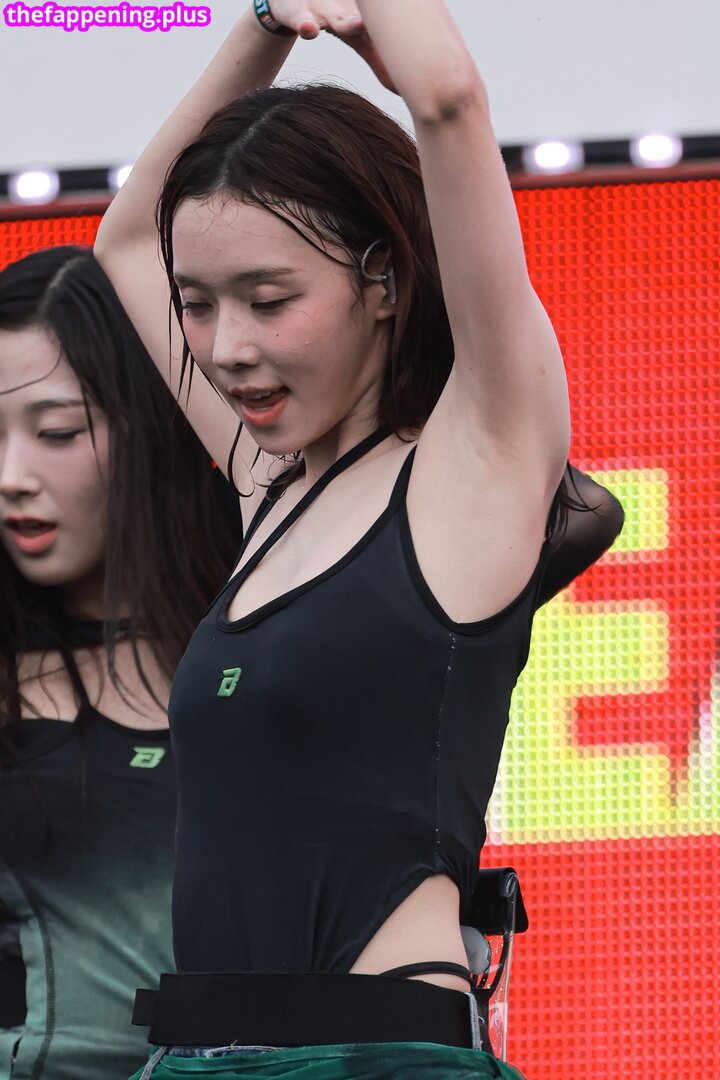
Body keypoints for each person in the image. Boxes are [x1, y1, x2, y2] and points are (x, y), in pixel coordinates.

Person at [94, 2, 622, 1077]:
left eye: (269, 300)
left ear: (382, 280)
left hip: (378, 1053)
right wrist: (266, 21)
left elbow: (448, 99)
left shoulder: (473, 470)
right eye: (199, 306)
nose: (225, 348)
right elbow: (128, 240)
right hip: (193, 1057)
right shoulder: (272, 487)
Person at [0, 245, 240, 1080]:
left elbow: (567, 512)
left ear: (153, 425)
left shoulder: (275, 621)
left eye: (57, 433)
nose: (11, 477)